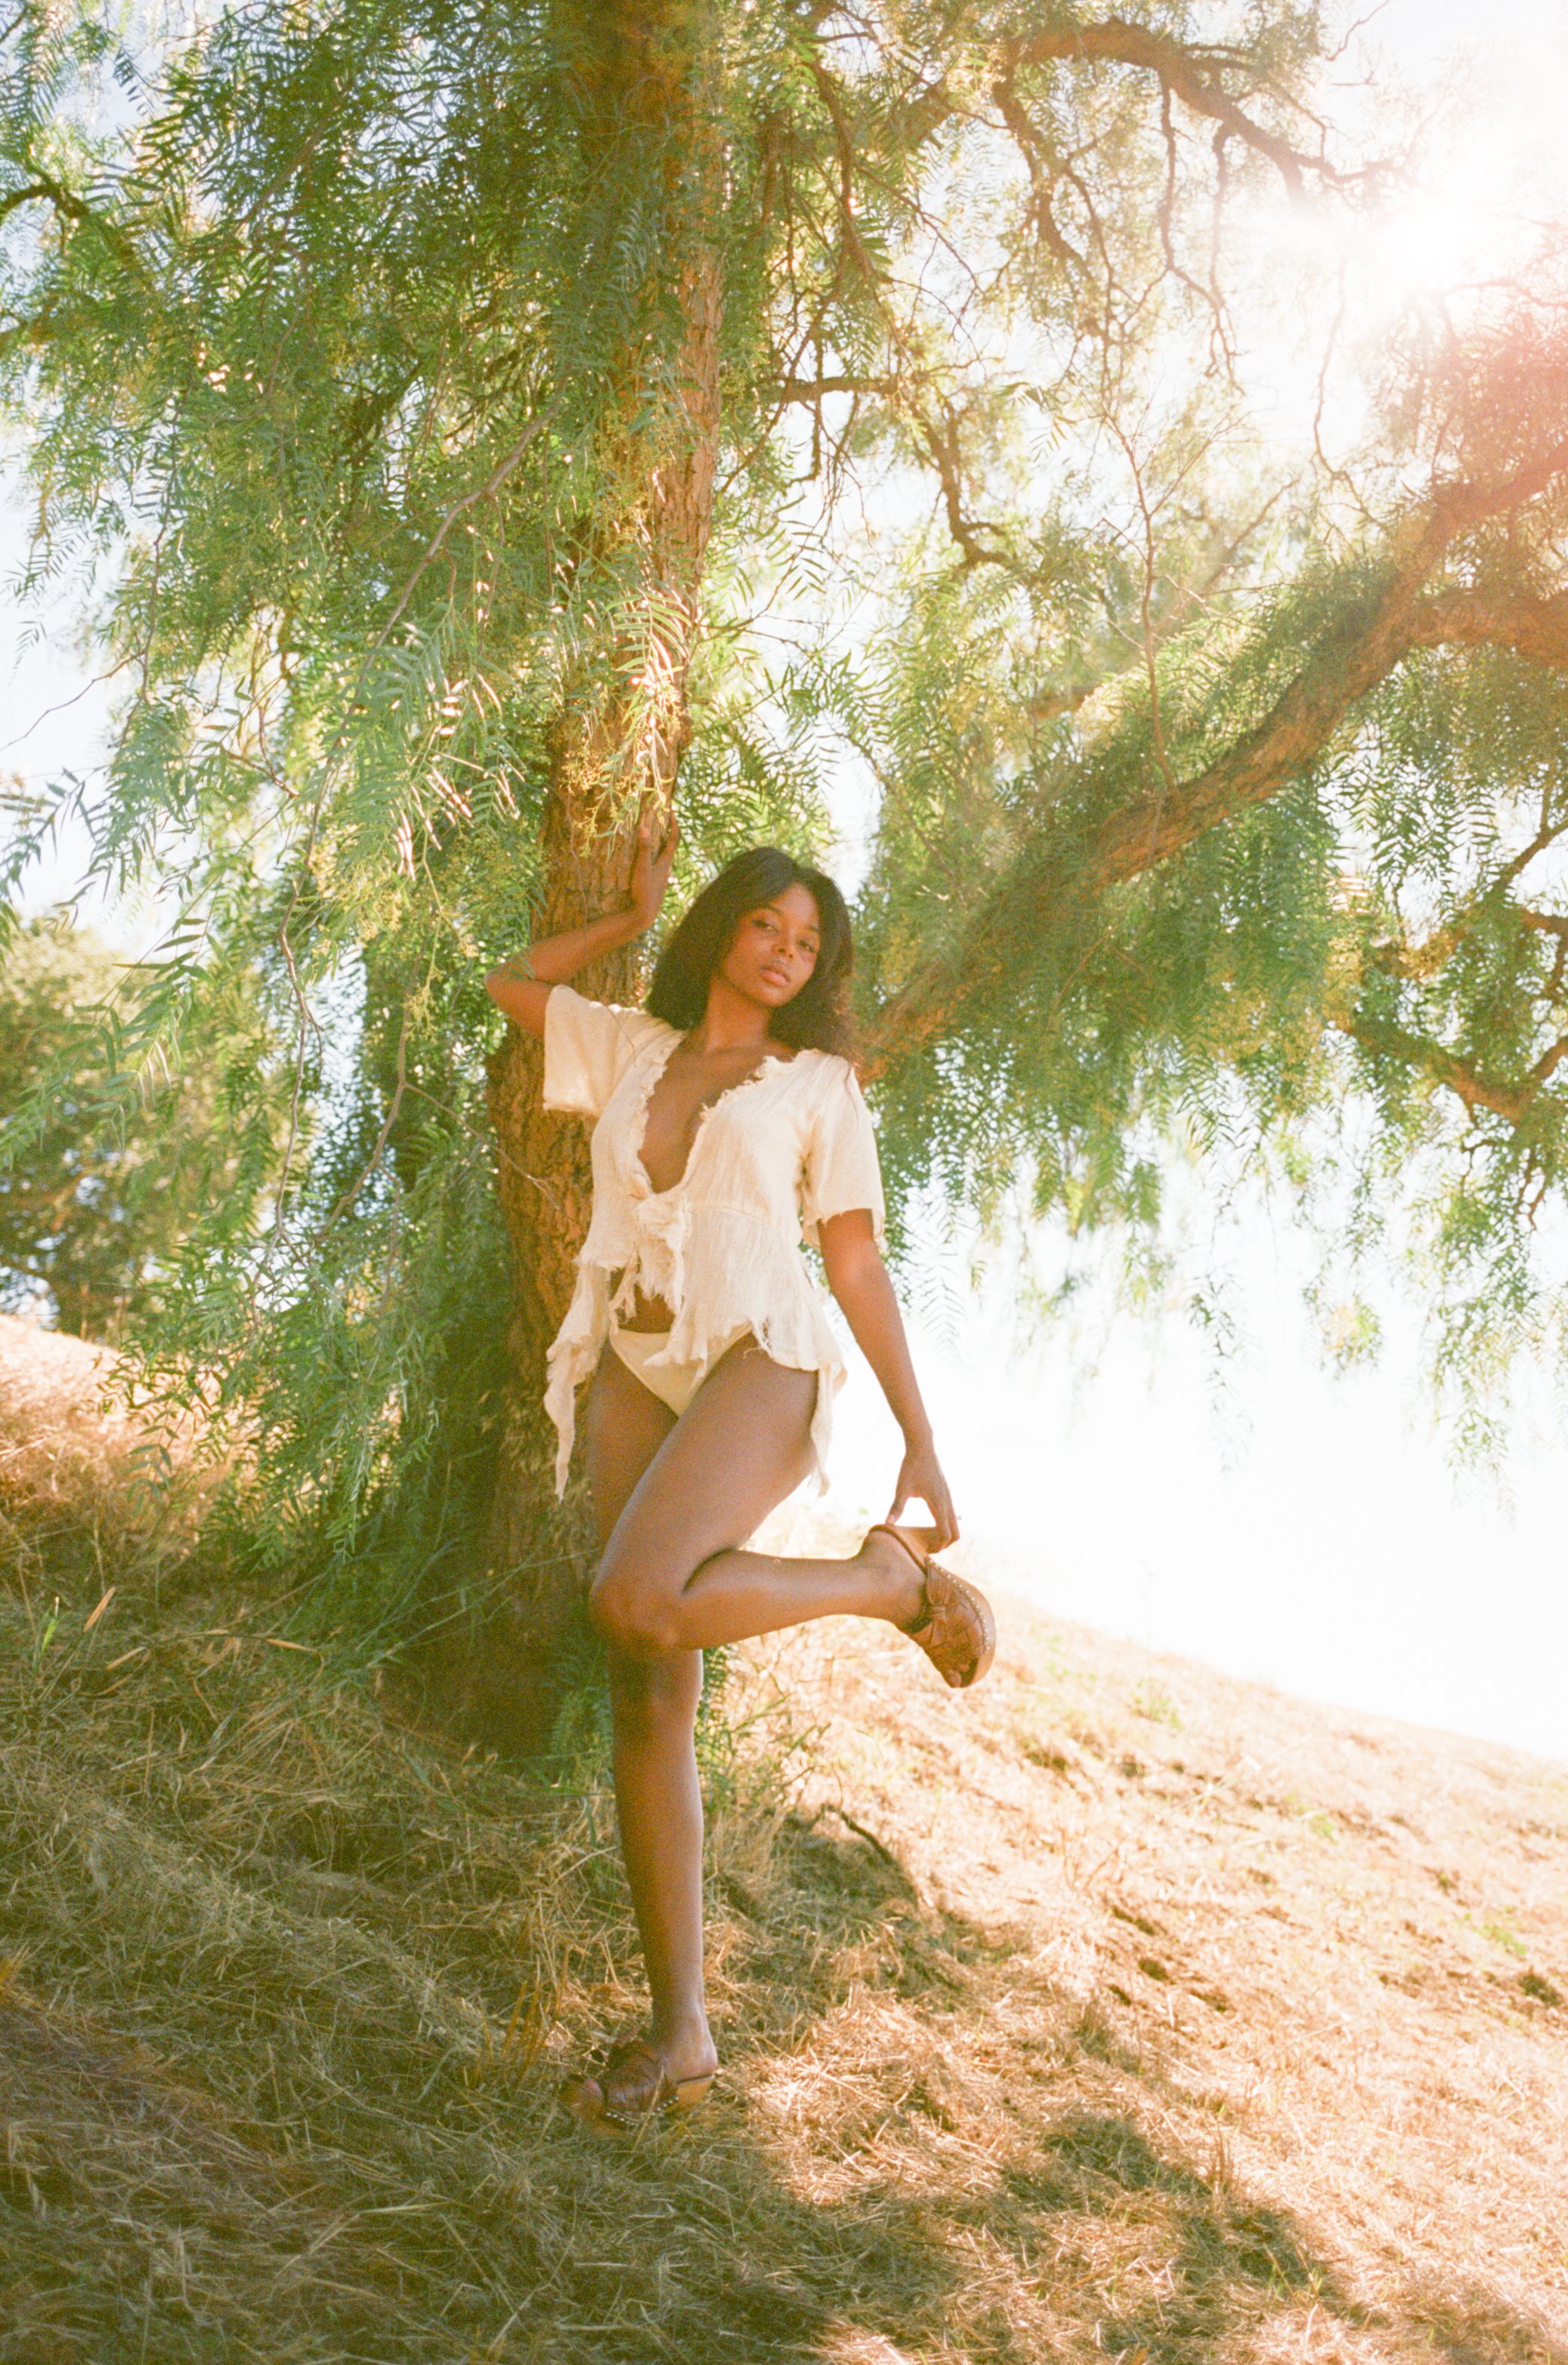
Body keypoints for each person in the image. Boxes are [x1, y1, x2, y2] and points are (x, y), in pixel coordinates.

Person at [485, 819, 994, 2129]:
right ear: (722, 925)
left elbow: (855, 1260)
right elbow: (511, 980)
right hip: (635, 1359)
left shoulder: (818, 1084)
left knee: (634, 1597)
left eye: (808, 941)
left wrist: (921, 1434)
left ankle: (885, 1585)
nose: (784, 950)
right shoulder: (633, 1048)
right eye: (766, 921)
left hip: (761, 1354)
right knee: (646, 1681)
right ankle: (683, 2037)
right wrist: (625, 917)